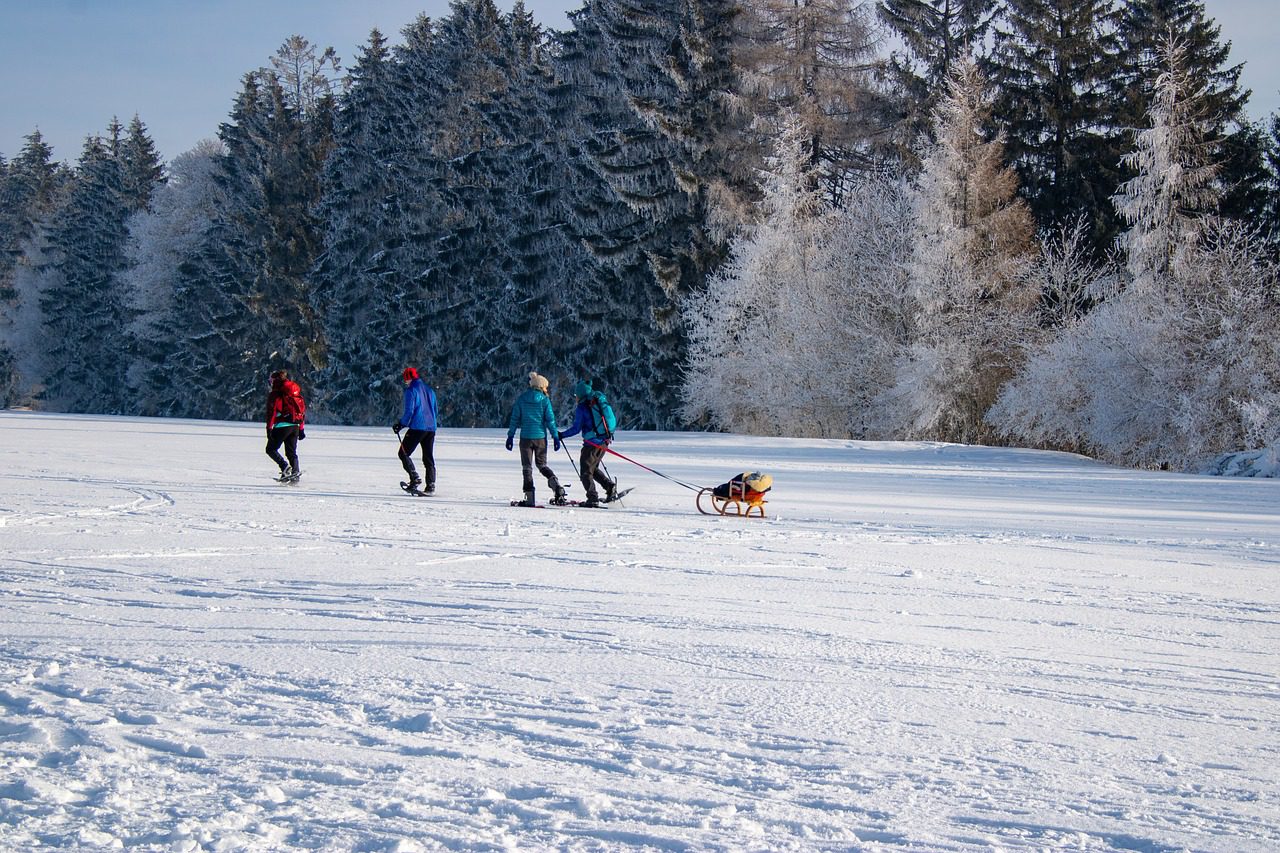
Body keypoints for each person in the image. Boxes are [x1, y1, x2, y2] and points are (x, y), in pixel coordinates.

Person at [506, 371, 567, 507]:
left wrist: (510, 436)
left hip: (525, 438)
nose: (546, 389)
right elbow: (550, 421)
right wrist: (555, 437)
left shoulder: (522, 399)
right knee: (542, 465)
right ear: (540, 387)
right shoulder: (545, 401)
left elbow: (515, 419)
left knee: (527, 468)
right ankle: (557, 487)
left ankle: (529, 498)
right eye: (545, 387)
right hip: (540, 438)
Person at [558, 379, 619, 508]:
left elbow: (576, 428)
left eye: (576, 395)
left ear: (580, 395)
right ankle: (610, 487)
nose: (575, 398)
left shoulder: (583, 407)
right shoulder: (596, 402)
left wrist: (561, 435)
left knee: (586, 471)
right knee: (593, 468)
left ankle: (592, 498)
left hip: (592, 443)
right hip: (604, 441)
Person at [393, 367, 438, 494]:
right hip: (431, 428)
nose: (405, 382)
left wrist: (401, 424)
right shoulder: (430, 390)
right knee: (428, 457)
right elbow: (435, 410)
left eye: (405, 379)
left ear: (408, 378)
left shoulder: (411, 391)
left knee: (403, 453)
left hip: (418, 427)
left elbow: (410, 411)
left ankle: (415, 478)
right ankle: (431, 485)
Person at [265, 369, 306, 481]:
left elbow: (272, 412)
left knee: (270, 449)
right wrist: (301, 429)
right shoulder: (294, 394)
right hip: (295, 426)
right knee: (291, 452)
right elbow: (301, 411)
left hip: (282, 426)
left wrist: (269, 429)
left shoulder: (276, 394)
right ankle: (295, 471)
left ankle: (284, 466)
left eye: (271, 381)